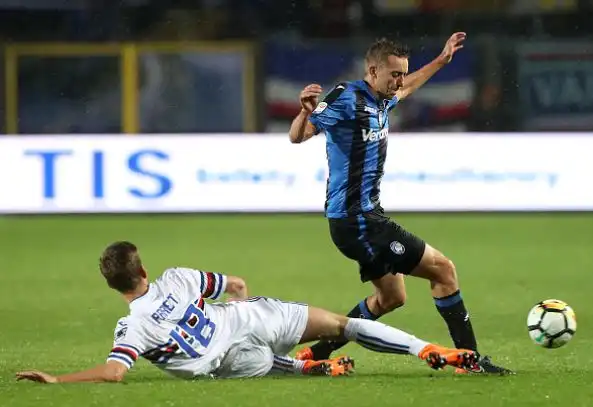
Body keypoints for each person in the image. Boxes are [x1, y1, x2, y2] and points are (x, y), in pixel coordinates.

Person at [288, 33, 511, 375]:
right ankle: (470, 361)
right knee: (444, 270)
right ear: (372, 71)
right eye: (394, 74)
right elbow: (298, 136)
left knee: (391, 299)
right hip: (358, 220)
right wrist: (305, 112)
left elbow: (408, 88)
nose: (399, 81)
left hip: (359, 219)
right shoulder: (346, 98)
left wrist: (441, 60)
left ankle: (315, 354)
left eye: (402, 73)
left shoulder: (383, 99)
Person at [16, 241, 479, 384]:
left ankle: (305, 368)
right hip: (249, 318)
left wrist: (60, 380)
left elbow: (115, 373)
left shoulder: (130, 326)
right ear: (143, 268)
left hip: (232, 362)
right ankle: (427, 350)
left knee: (258, 367)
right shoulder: (178, 277)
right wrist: (241, 304)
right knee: (346, 325)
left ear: (111, 285)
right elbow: (235, 285)